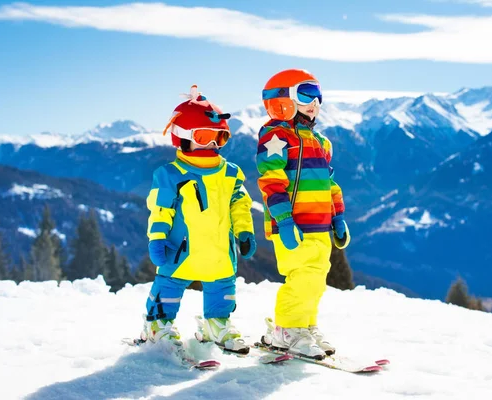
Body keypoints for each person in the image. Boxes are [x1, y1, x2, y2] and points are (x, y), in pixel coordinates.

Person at [140, 85, 256, 356]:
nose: (213, 144)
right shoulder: (170, 174)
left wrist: (244, 230)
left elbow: (240, 203)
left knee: (222, 287)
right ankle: (158, 325)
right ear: (182, 138)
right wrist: (157, 237)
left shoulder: (230, 172)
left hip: (219, 251)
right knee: (168, 286)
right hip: (180, 250)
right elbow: (160, 209)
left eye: (219, 137)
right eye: (204, 136)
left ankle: (217, 324)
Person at [256, 69, 350, 359]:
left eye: (318, 95)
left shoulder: (321, 142)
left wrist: (337, 215)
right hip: (293, 225)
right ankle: (288, 329)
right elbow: (271, 179)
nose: (315, 102)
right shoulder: (276, 136)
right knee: (302, 277)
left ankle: (304, 326)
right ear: (282, 99)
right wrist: (284, 219)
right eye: (306, 94)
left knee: (317, 278)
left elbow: (329, 182)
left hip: (320, 224)